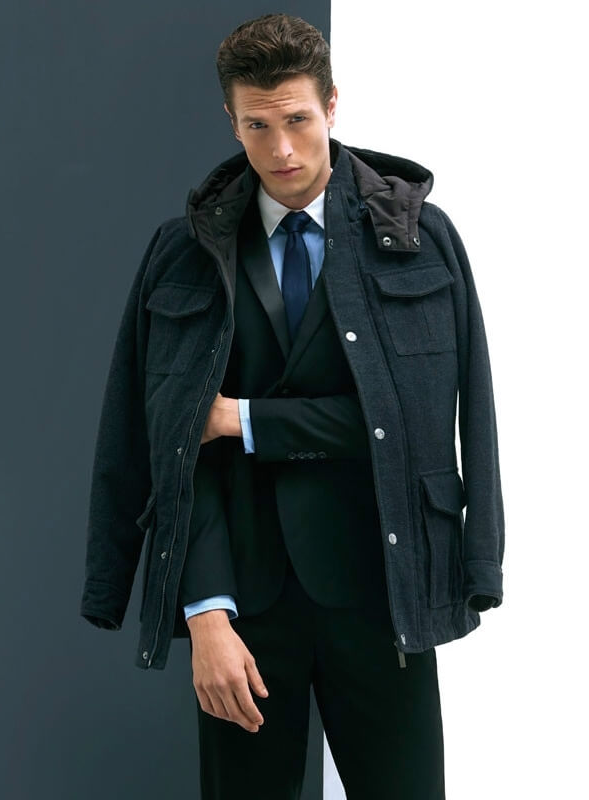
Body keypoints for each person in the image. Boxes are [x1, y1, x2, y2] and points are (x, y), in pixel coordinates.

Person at [80, 12, 505, 800]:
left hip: (383, 587)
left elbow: (427, 422)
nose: (281, 149)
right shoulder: (181, 253)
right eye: (257, 126)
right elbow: (154, 439)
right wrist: (205, 615)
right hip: (242, 604)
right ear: (232, 120)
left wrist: (243, 420)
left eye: (299, 120)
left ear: (332, 105)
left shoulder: (418, 239)